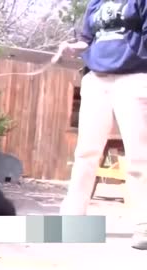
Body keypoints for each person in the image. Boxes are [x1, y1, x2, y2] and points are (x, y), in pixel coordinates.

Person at [57, 0, 147, 250]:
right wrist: (74, 47)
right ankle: (73, 221)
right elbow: (88, 39)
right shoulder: (96, 3)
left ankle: (144, 225)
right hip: (96, 80)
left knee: (139, 157)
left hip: (135, 79)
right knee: (86, 153)